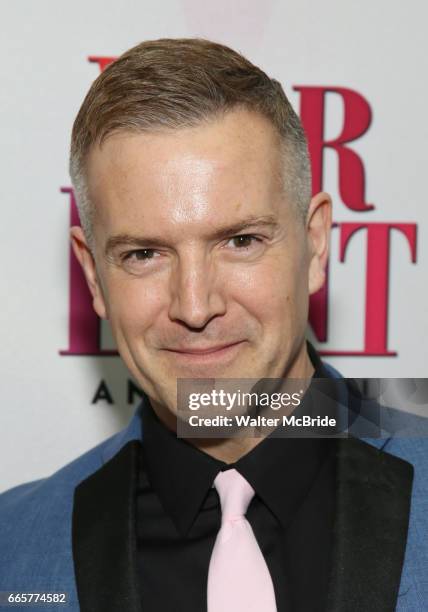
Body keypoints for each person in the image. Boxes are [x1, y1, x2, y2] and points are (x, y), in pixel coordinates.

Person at [0, 38, 426, 612]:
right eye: (144, 254)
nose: (195, 307)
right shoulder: (13, 551)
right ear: (94, 276)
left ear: (316, 244)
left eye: (240, 241)